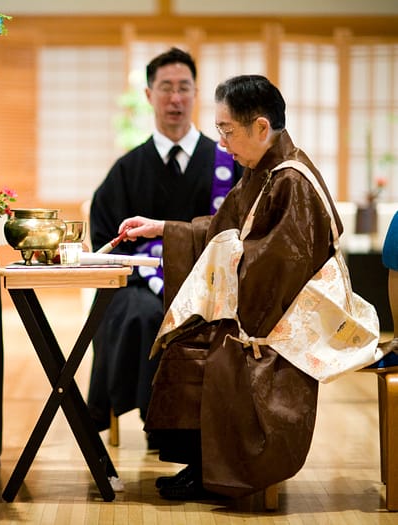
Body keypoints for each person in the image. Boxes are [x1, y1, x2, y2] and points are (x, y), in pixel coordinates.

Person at [117, 74, 385, 501]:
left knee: (213, 353)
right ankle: (202, 466)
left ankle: (221, 473)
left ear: (261, 127)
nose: (222, 143)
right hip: (259, 306)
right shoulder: (262, 172)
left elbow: (278, 268)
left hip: (279, 323)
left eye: (227, 131)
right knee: (181, 340)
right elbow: (224, 231)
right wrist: (163, 228)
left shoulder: (292, 180)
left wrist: (226, 285)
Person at [87, 47, 241, 443]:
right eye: (166, 88)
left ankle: (198, 434)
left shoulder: (227, 163)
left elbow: (241, 231)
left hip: (212, 285)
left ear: (196, 94)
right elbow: (106, 241)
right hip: (140, 284)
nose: (175, 98)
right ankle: (157, 423)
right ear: (149, 94)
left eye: (184, 88)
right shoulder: (127, 170)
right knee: (141, 314)